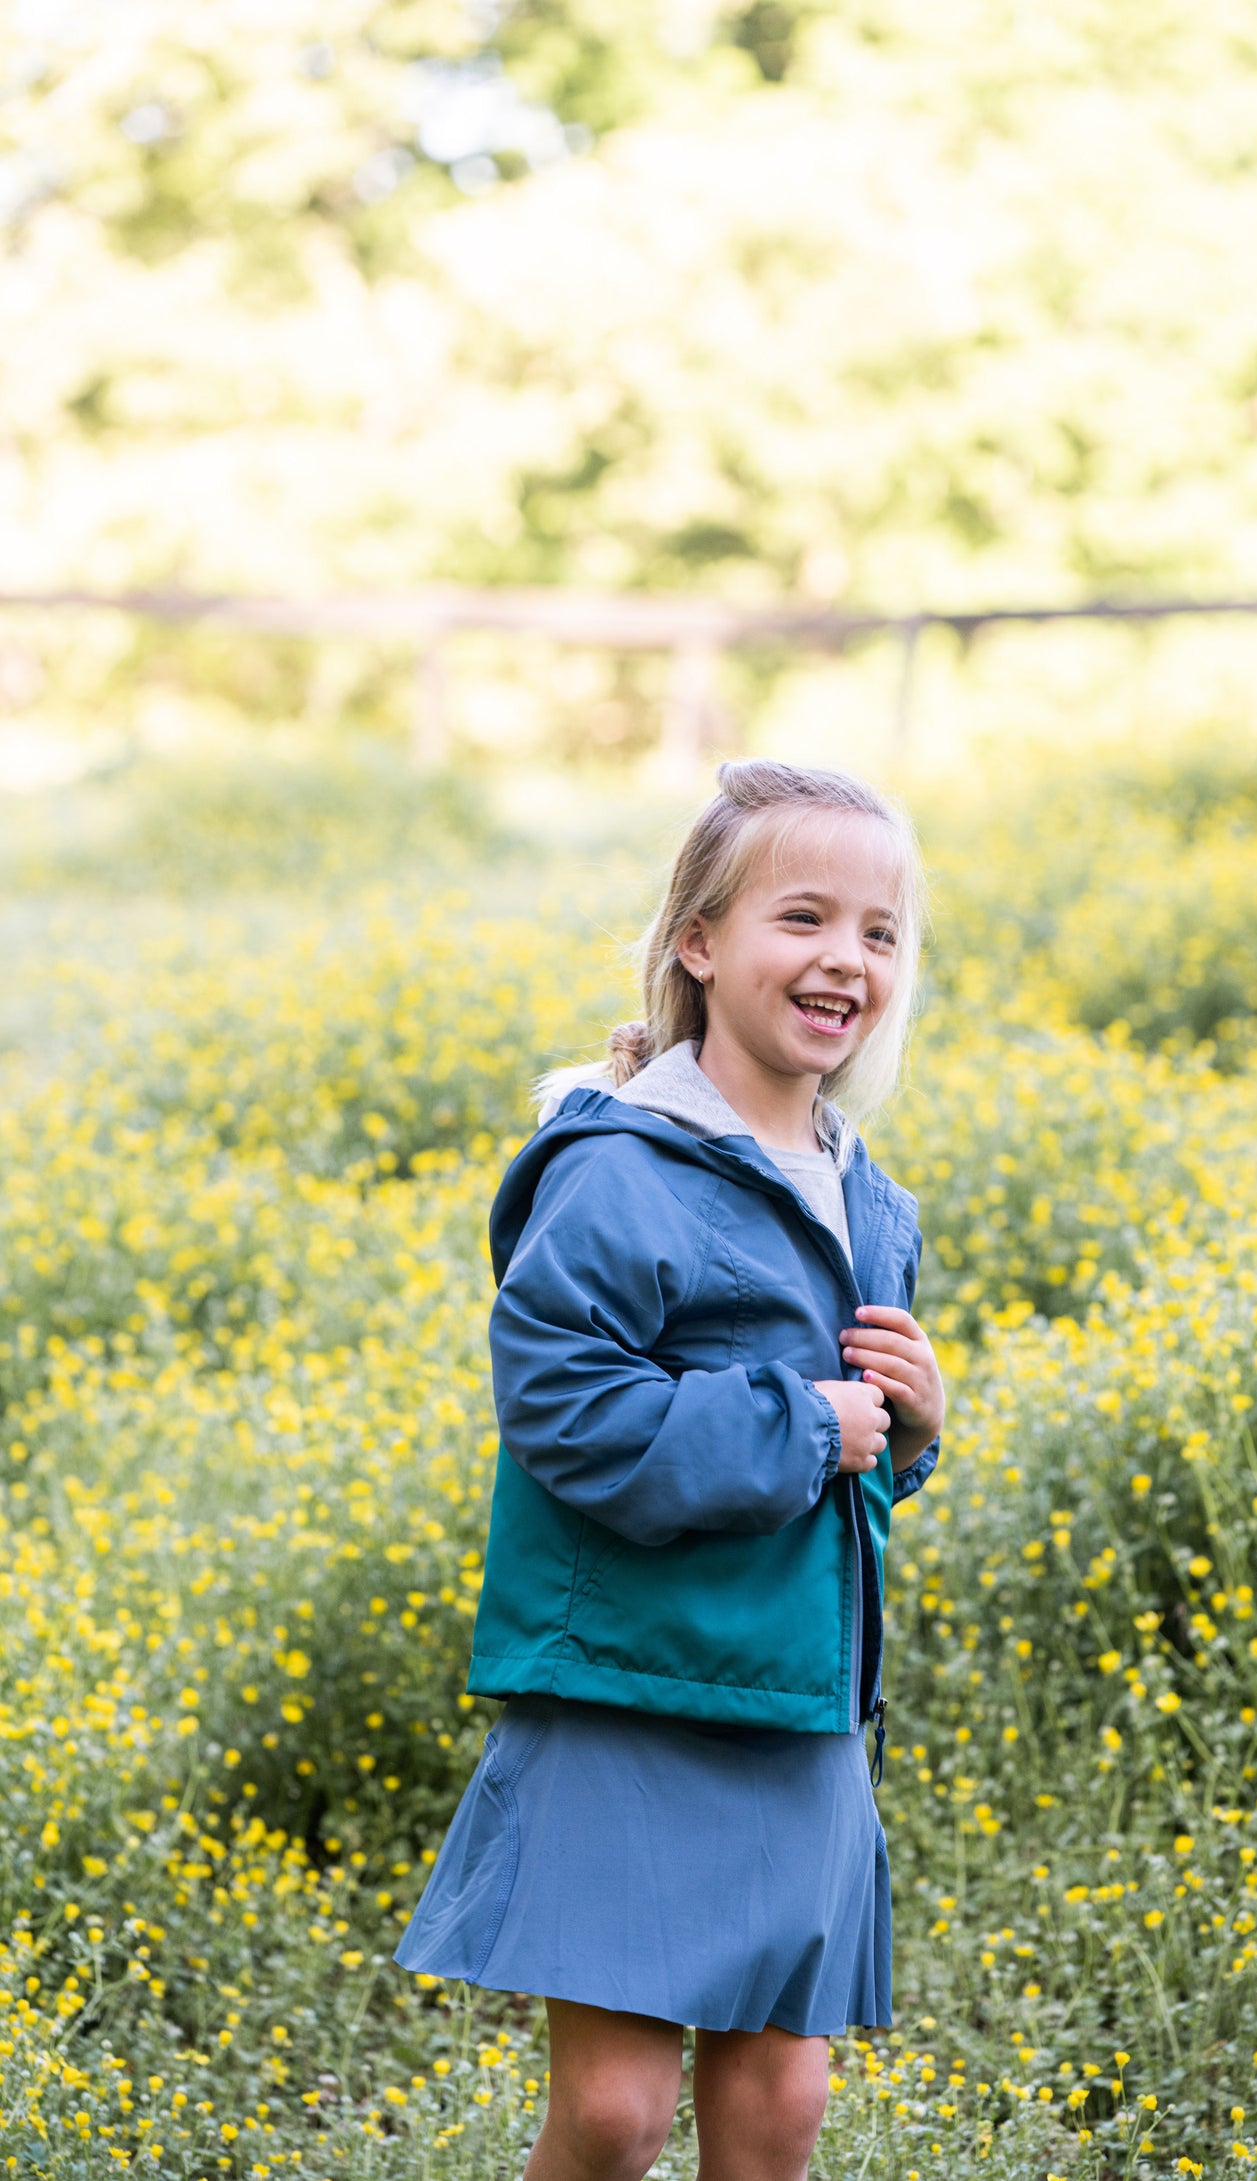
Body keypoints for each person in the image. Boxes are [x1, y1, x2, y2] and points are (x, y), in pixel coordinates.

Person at [396, 759, 945, 2181]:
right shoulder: (616, 1168)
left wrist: (908, 1430)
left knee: (776, 2116)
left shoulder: (867, 1195)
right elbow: (568, 1413)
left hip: (792, 1696)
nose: (843, 959)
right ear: (698, 941)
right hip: (630, 1685)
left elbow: (847, 1482)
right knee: (614, 2116)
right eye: (803, 917)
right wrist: (810, 1423)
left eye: (878, 933)